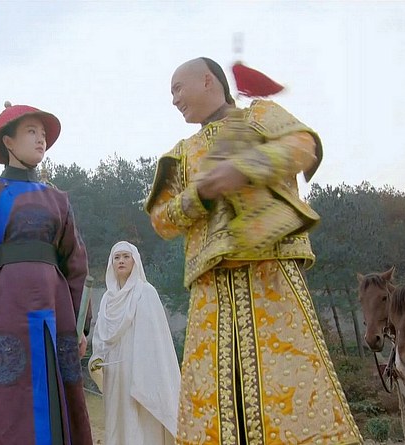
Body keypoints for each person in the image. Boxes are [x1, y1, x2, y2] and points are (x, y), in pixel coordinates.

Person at [144, 58, 363, 445]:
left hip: (271, 272)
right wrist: (200, 194)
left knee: (288, 385)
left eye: (177, 88)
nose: (174, 99)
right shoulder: (181, 154)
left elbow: (304, 147)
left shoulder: (259, 116)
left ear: (208, 80)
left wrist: (247, 168)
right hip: (211, 290)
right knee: (216, 393)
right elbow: (161, 221)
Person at [0, 102, 93, 445]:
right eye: (31, 132)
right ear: (8, 142)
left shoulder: (59, 200)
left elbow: (76, 265)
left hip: (56, 310)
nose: (41, 139)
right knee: (5, 401)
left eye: (43, 134)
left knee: (58, 395)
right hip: (4, 308)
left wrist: (80, 326)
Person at [89, 241, 179, 445]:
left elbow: (154, 339)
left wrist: (141, 368)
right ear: (111, 263)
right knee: (117, 420)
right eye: (117, 257)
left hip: (140, 370)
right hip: (114, 372)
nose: (121, 261)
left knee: (140, 420)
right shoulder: (107, 299)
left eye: (125, 256)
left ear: (135, 261)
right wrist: (97, 357)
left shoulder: (145, 292)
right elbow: (102, 334)